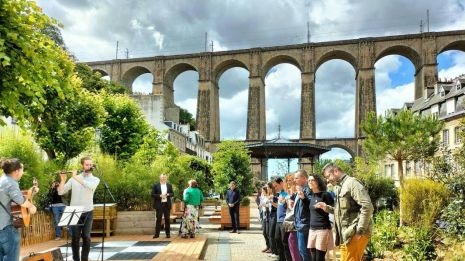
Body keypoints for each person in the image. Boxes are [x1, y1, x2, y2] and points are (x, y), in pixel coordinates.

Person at [315, 163, 374, 261]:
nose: (327, 180)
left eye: (328, 176)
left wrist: (359, 232)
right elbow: (343, 211)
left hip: (355, 234)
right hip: (345, 235)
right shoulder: (338, 187)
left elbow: (367, 206)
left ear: (336, 171)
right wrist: (327, 208)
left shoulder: (352, 183)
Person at [58, 156, 100, 261]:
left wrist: (76, 177)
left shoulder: (95, 179)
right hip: (74, 211)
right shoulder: (73, 178)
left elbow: (89, 186)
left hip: (88, 211)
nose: (90, 166)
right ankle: (76, 259)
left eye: (91, 164)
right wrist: (63, 180)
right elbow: (61, 192)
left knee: (86, 236)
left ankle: (84, 259)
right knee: (75, 238)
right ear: (82, 165)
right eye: (87, 164)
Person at [0, 158, 37, 261]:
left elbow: (12, 199)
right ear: (16, 171)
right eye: (22, 170)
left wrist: (31, 193)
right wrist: (32, 207)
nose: (22, 172)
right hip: (6, 229)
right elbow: (21, 201)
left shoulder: (2, 180)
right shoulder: (11, 182)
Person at [307, 174, 335, 261]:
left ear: (318, 182)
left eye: (312, 180)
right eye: (309, 181)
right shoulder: (312, 196)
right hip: (312, 229)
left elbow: (335, 210)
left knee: (319, 258)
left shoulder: (325, 195)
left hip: (323, 229)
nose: (310, 182)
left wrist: (325, 207)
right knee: (314, 258)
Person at [293, 169, 312, 261]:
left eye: (296, 178)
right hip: (299, 224)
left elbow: (311, 205)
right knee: (302, 250)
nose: (294, 180)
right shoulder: (301, 189)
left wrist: (303, 198)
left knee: (304, 251)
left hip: (304, 225)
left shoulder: (308, 190)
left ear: (304, 178)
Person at [273, 177, 292, 261]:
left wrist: (284, 201)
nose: (275, 188)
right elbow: (279, 206)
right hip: (278, 220)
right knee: (277, 239)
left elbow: (288, 206)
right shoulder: (280, 194)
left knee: (285, 242)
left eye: (276, 186)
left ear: (281, 183)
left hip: (284, 221)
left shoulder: (285, 193)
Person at [284, 173, 302, 261]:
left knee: (293, 242)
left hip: (295, 221)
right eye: (287, 180)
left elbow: (294, 207)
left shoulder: (296, 191)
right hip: (288, 220)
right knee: (289, 242)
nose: (288, 182)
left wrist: (289, 199)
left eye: (290, 180)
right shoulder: (286, 192)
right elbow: (284, 205)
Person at [151, 173, 174, 239]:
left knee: (167, 220)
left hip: (167, 204)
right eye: (162, 177)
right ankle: (157, 234)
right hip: (159, 204)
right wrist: (160, 195)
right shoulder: (155, 185)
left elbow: (172, 193)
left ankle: (168, 234)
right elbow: (152, 194)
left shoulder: (169, 185)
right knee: (158, 219)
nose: (164, 178)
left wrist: (168, 194)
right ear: (160, 178)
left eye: (165, 177)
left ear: (167, 178)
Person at [259, 186, 270, 253]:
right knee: (264, 233)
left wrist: (264, 205)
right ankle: (267, 246)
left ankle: (270, 247)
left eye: (263, 191)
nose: (262, 192)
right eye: (262, 191)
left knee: (267, 232)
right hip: (263, 215)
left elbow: (269, 206)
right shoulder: (263, 197)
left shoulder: (268, 197)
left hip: (268, 216)